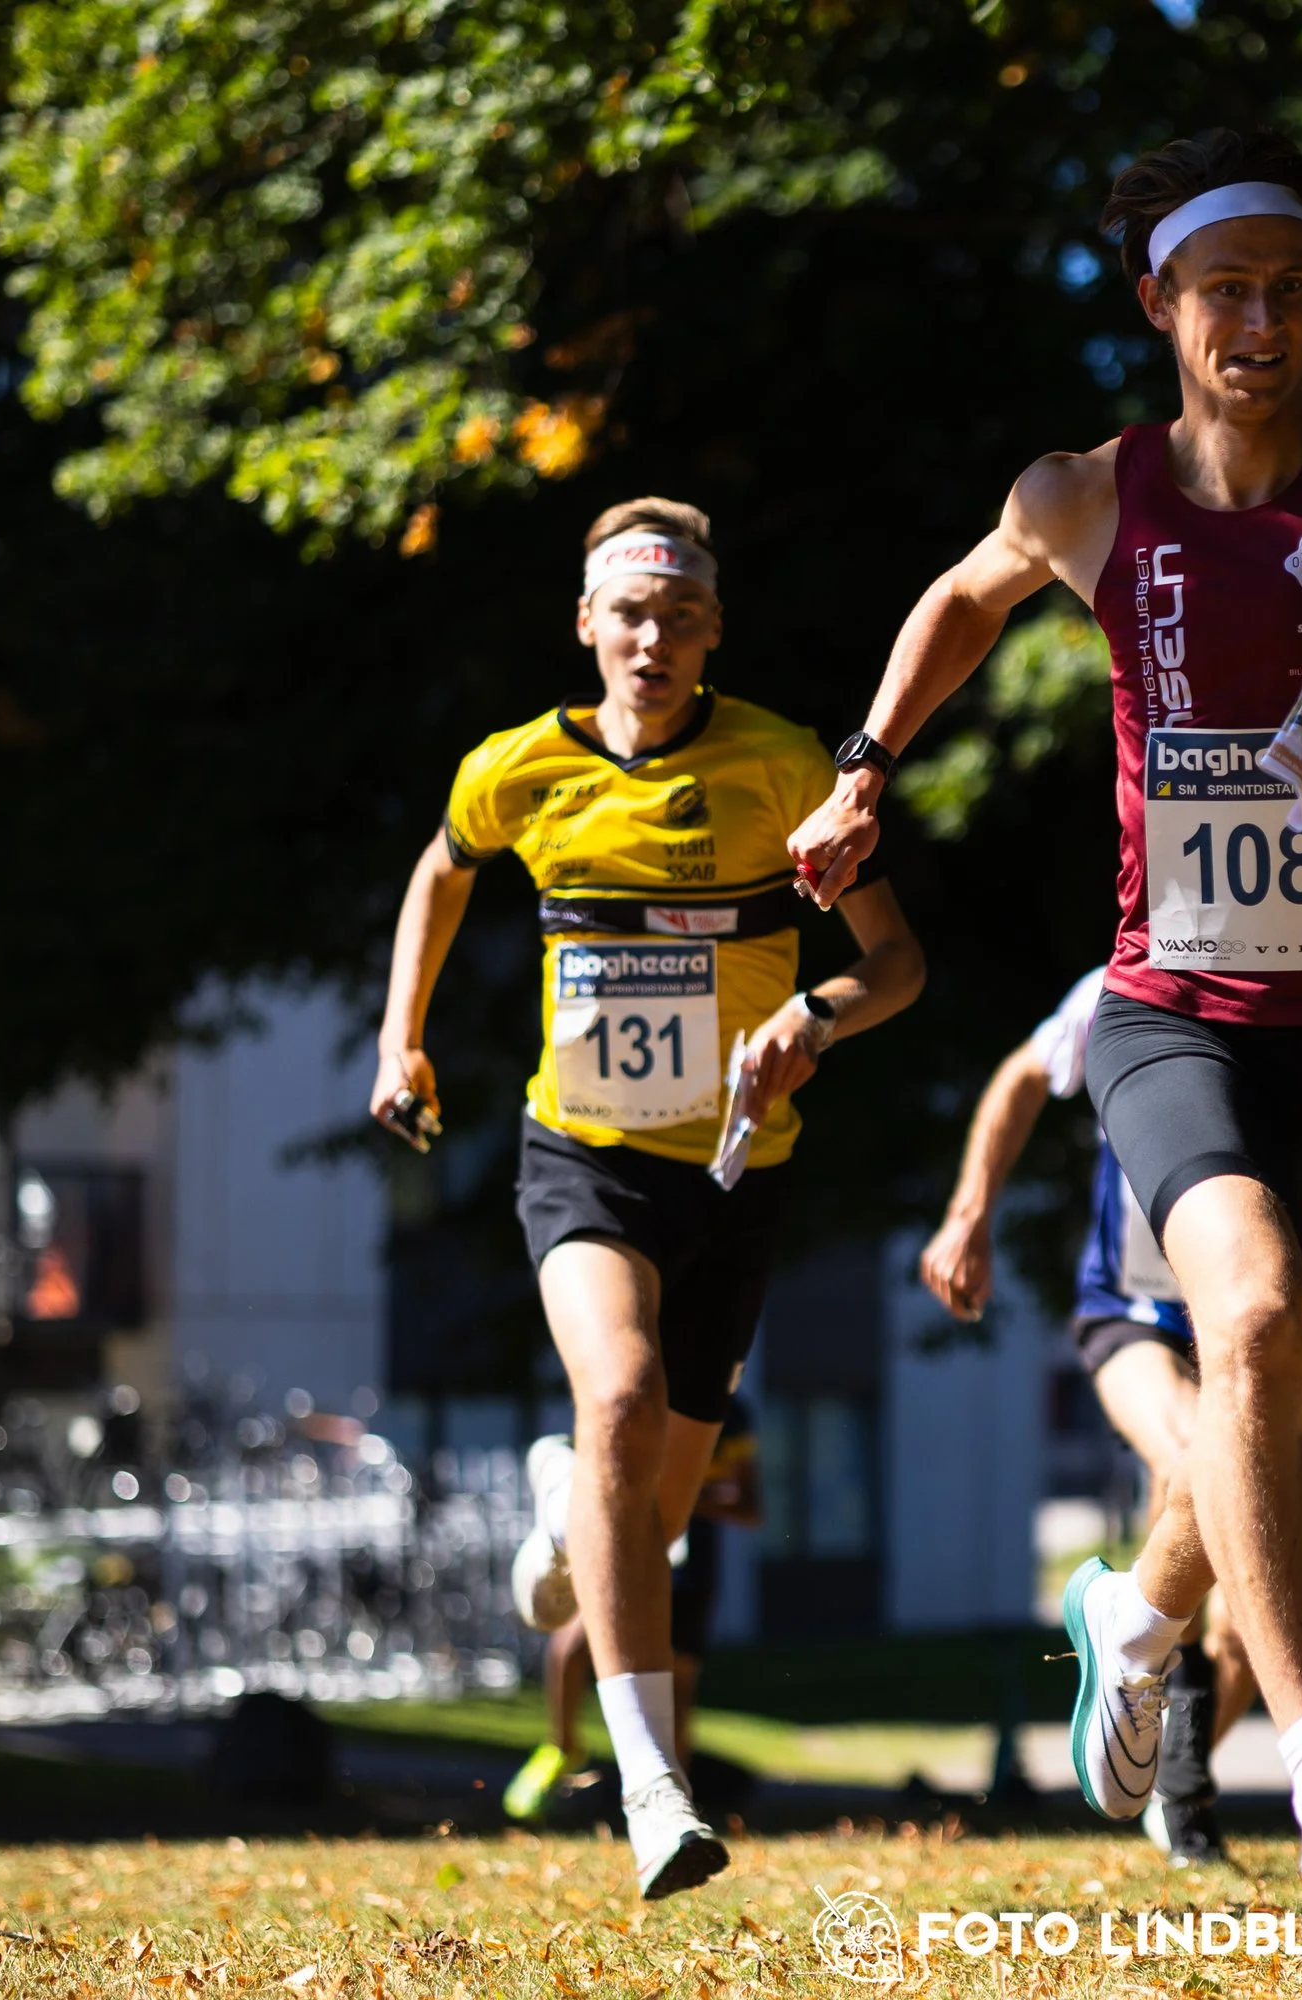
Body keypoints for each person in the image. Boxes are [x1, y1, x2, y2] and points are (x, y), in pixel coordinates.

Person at [790, 130, 1302, 1916]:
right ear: (1160, 302)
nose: (1265, 320)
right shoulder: (1090, 493)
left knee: (1270, 1439)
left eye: (1295, 289)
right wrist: (865, 768)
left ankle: (1136, 1617)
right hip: (1178, 1019)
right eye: (1228, 289)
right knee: (1235, 1321)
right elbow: (958, 599)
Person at [373, 497, 924, 1899]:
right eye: (630, 614)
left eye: (680, 616)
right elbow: (443, 869)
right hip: (583, 1157)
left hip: (738, 1170)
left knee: (653, 1505)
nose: (654, 640)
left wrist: (816, 1014)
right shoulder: (521, 770)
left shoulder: (780, 764)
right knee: (614, 1395)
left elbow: (896, 963)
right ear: (587, 627)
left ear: (712, 632)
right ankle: (653, 1787)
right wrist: (403, 1037)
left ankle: (569, 1521)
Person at [919, 964, 1254, 1866]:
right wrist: (969, 1214)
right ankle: (1166, 1757)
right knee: (1195, 1458)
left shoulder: (1294, 989)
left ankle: (1168, 1769)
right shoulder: (1122, 979)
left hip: (1245, 1323)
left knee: (1256, 1600)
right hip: (1132, 1315)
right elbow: (1023, 1075)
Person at [505, 1399, 762, 1825]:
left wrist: (679, 1495)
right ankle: (563, 1746)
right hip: (627, 1541)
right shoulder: (631, 1383)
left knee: (678, 1685)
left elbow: (750, 1505)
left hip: (689, 1562)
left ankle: (673, 1808)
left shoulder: (729, 1411)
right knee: (570, 1645)